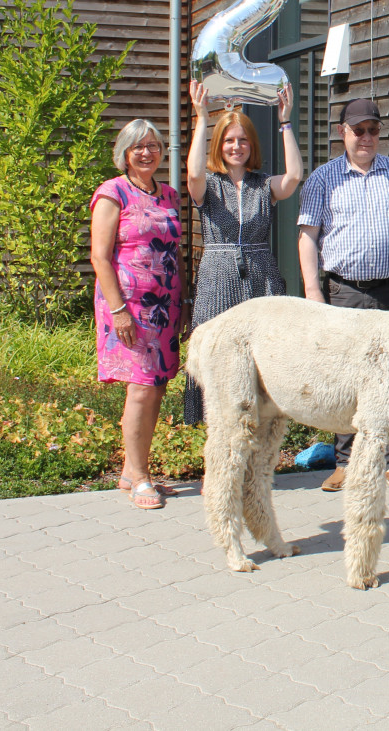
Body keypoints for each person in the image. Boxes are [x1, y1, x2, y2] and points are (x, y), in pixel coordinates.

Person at [297, 97, 389, 492]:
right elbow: (307, 236)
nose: (366, 137)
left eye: (373, 130)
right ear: (342, 133)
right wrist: (313, 290)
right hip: (344, 292)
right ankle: (346, 462)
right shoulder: (322, 178)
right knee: (347, 379)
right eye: (358, 130)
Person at [182, 80, 304, 423]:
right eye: (229, 140)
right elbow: (192, 173)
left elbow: (294, 176)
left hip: (260, 276)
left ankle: (259, 441)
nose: (236, 147)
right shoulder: (209, 183)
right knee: (216, 360)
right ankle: (220, 440)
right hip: (218, 276)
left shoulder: (262, 184)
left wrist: (285, 121)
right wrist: (202, 117)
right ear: (219, 145)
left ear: (252, 144)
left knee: (260, 362)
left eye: (243, 140)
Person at [89, 119, 184, 511]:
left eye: (153, 145)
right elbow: (99, 255)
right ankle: (141, 478)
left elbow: (174, 251)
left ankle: (132, 469)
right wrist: (118, 311)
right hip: (128, 305)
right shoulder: (113, 192)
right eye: (138, 147)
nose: (147, 152)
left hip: (166, 305)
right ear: (124, 153)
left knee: (157, 386)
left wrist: (184, 302)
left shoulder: (169, 195)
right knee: (141, 387)